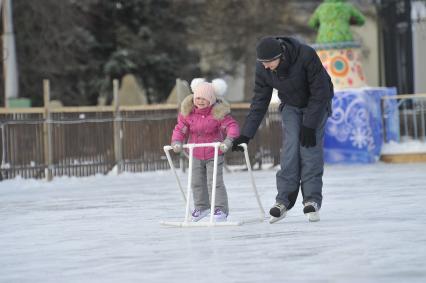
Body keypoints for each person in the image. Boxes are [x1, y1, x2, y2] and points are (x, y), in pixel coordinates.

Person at [232, 36, 334, 223]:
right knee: (290, 149)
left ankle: (311, 200)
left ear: (280, 55)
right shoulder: (263, 69)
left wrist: (309, 125)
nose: (265, 66)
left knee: (309, 150)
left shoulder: (305, 55)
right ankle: (283, 201)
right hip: (292, 106)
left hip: (317, 104)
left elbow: (321, 91)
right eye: (261, 62)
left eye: (268, 62)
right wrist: (246, 134)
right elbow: (259, 101)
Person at [171, 78, 240, 222]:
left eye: (204, 98)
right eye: (197, 98)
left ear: (211, 99)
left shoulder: (217, 113)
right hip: (196, 153)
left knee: (214, 182)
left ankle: (220, 209)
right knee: (196, 182)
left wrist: (228, 141)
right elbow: (180, 129)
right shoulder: (188, 113)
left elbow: (231, 127)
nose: (200, 101)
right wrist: (176, 141)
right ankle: (202, 207)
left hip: (214, 153)